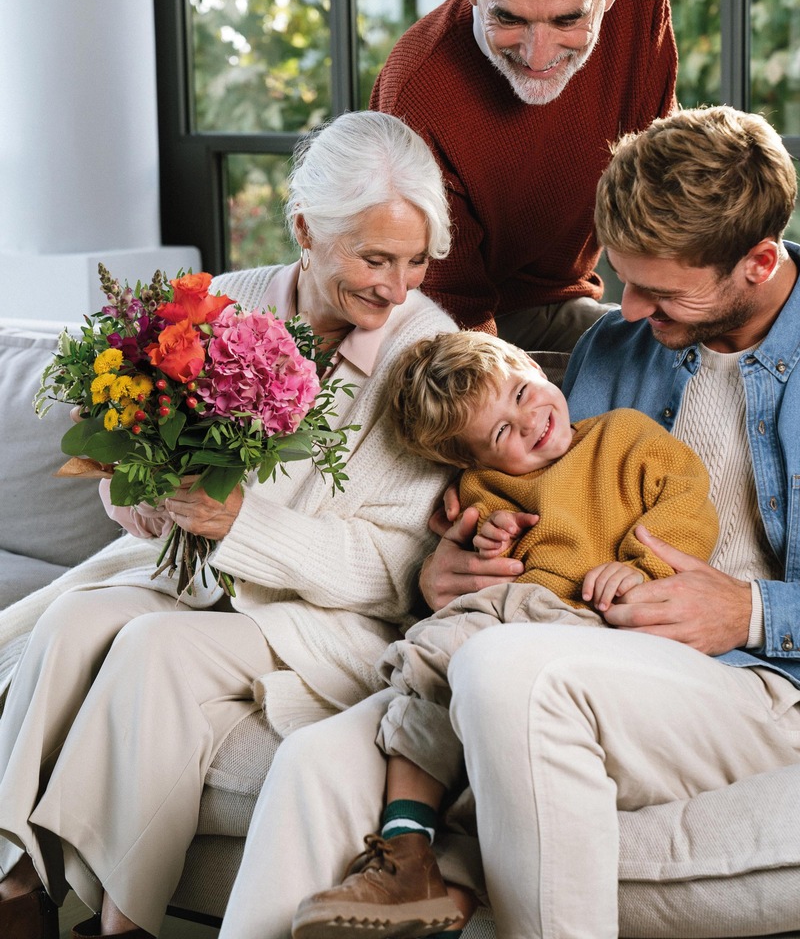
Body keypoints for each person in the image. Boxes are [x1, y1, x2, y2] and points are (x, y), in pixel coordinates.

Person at [215, 103, 800, 939]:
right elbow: (533, 505)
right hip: (593, 641)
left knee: (505, 673)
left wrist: (747, 610)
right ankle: (415, 866)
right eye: (619, 278)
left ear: (758, 261)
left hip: (763, 681)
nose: (626, 311)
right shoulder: (613, 351)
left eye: (659, 291)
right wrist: (441, 574)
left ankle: (449, 867)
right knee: (316, 761)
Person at [0, 110, 460, 939]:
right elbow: (130, 464)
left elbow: (398, 571)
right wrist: (136, 496)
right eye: (374, 257)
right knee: (68, 621)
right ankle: (12, 884)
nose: (397, 287)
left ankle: (122, 923)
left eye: (417, 260)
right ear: (305, 232)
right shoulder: (221, 303)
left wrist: (241, 522)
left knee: (149, 647)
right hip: (192, 582)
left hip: (328, 621)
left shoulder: (427, 351)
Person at [290, 330, 717, 938]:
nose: (529, 422)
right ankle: (407, 849)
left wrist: (642, 569)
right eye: (500, 434)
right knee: (433, 659)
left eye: (523, 393)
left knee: (455, 655)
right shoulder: (484, 488)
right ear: (473, 461)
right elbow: (482, 542)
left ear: (532, 368)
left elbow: (685, 502)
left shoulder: (623, 436)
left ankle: (424, 865)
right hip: (516, 611)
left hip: (591, 620)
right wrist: (490, 535)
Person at [370, 0, 678, 351]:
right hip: (440, 326)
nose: (538, 56)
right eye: (510, 19)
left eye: (566, 20)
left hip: (562, 300)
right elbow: (448, 312)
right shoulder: (417, 91)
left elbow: (658, 178)